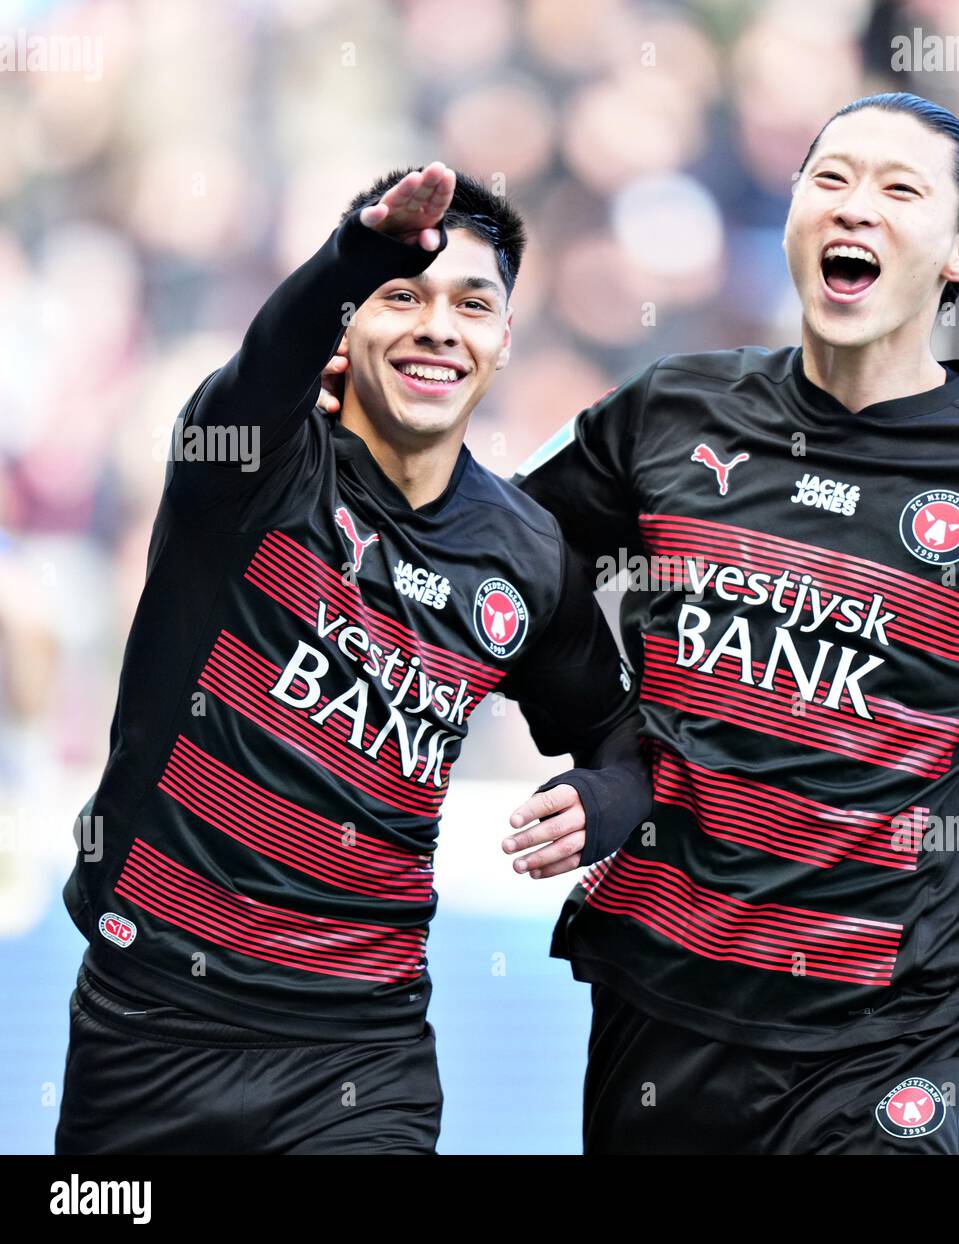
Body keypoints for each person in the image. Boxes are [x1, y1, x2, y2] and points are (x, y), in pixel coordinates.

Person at [503, 92, 959, 1154]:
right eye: (828, 179)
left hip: (892, 1036)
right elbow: (493, 567)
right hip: (664, 1008)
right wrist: (610, 749)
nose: (854, 208)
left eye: (897, 189)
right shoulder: (668, 411)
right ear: (790, 211)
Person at [55, 162, 651, 1155]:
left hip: (359, 1059)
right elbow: (266, 359)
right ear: (347, 320)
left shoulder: (529, 558)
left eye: (471, 303)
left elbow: (620, 736)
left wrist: (608, 801)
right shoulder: (249, 462)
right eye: (401, 294)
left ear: (503, 340)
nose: (436, 325)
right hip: (149, 1030)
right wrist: (357, 249)